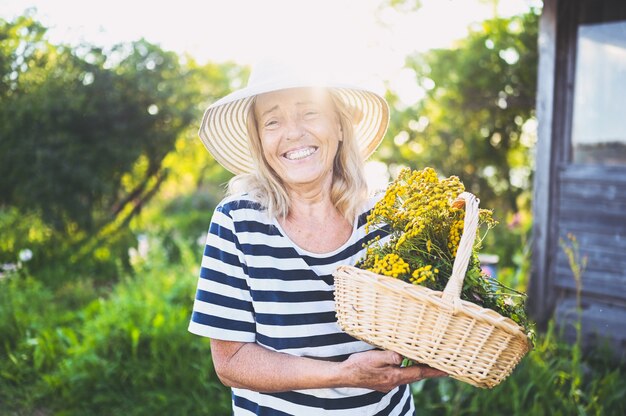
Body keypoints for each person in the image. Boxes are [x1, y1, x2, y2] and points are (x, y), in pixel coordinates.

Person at [188, 59, 446, 415]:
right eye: (273, 121)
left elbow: (416, 321)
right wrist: (342, 374)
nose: (293, 133)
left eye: (309, 112)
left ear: (340, 127)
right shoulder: (237, 222)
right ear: (261, 141)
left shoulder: (385, 216)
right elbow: (231, 362)